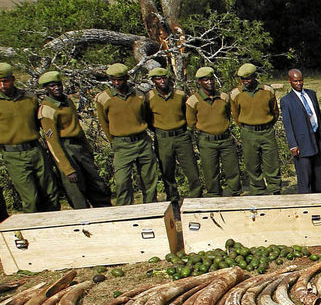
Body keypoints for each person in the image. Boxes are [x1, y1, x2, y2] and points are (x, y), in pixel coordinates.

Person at [37, 71, 111, 209]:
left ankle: (106, 213)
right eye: (52, 86)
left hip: (80, 147)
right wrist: (67, 169)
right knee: (75, 190)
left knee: (96, 184)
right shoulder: (47, 110)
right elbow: (52, 143)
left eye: (58, 85)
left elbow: (77, 127)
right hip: (65, 150)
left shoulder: (67, 101)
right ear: (46, 88)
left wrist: (88, 150)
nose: (57, 88)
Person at [94, 63, 161, 205]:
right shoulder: (103, 98)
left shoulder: (139, 95)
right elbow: (104, 123)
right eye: (113, 80)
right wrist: (113, 141)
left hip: (142, 141)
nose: (117, 83)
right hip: (121, 143)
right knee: (122, 181)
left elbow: (145, 116)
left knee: (149, 179)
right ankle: (125, 212)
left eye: (120, 79)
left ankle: (151, 209)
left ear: (127, 78)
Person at [0, 62, 60, 217]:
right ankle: (33, 233)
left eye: (5, 80)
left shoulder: (29, 98)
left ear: (13, 79)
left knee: (51, 193)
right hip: (13, 155)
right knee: (30, 199)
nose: (2, 85)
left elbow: (40, 123)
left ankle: (56, 229)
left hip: (35, 150)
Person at [147, 67, 202, 200]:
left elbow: (187, 113)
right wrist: (159, 130)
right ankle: (173, 200)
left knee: (192, 170)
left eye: (164, 78)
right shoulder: (149, 97)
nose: (162, 81)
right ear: (153, 80)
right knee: (167, 172)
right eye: (158, 79)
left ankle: (197, 198)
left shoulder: (180, 95)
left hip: (181, 136)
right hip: (162, 138)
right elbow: (147, 118)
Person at [186, 66, 240, 197]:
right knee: (210, 172)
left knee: (232, 169)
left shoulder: (223, 97)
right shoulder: (193, 101)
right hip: (207, 141)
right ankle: (214, 196)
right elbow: (191, 122)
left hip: (226, 139)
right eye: (205, 80)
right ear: (199, 82)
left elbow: (228, 114)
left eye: (211, 79)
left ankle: (236, 194)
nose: (209, 82)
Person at [230, 63, 281, 195]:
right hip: (248, 132)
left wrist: (266, 124)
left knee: (271, 162)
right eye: (243, 79)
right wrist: (247, 127)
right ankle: (258, 191)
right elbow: (236, 115)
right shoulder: (236, 94)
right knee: (252, 164)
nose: (246, 82)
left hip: (266, 131)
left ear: (255, 77)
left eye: (249, 78)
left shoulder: (267, 91)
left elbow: (275, 112)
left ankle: (275, 190)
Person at [279, 68, 321, 195]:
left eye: (301, 80)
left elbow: (319, 118)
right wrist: (293, 144)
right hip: (301, 142)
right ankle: (306, 200)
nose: (299, 84)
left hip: (316, 138)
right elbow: (288, 124)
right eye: (295, 81)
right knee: (305, 173)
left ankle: (320, 197)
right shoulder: (287, 100)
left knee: (319, 171)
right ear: (289, 81)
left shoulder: (311, 94)